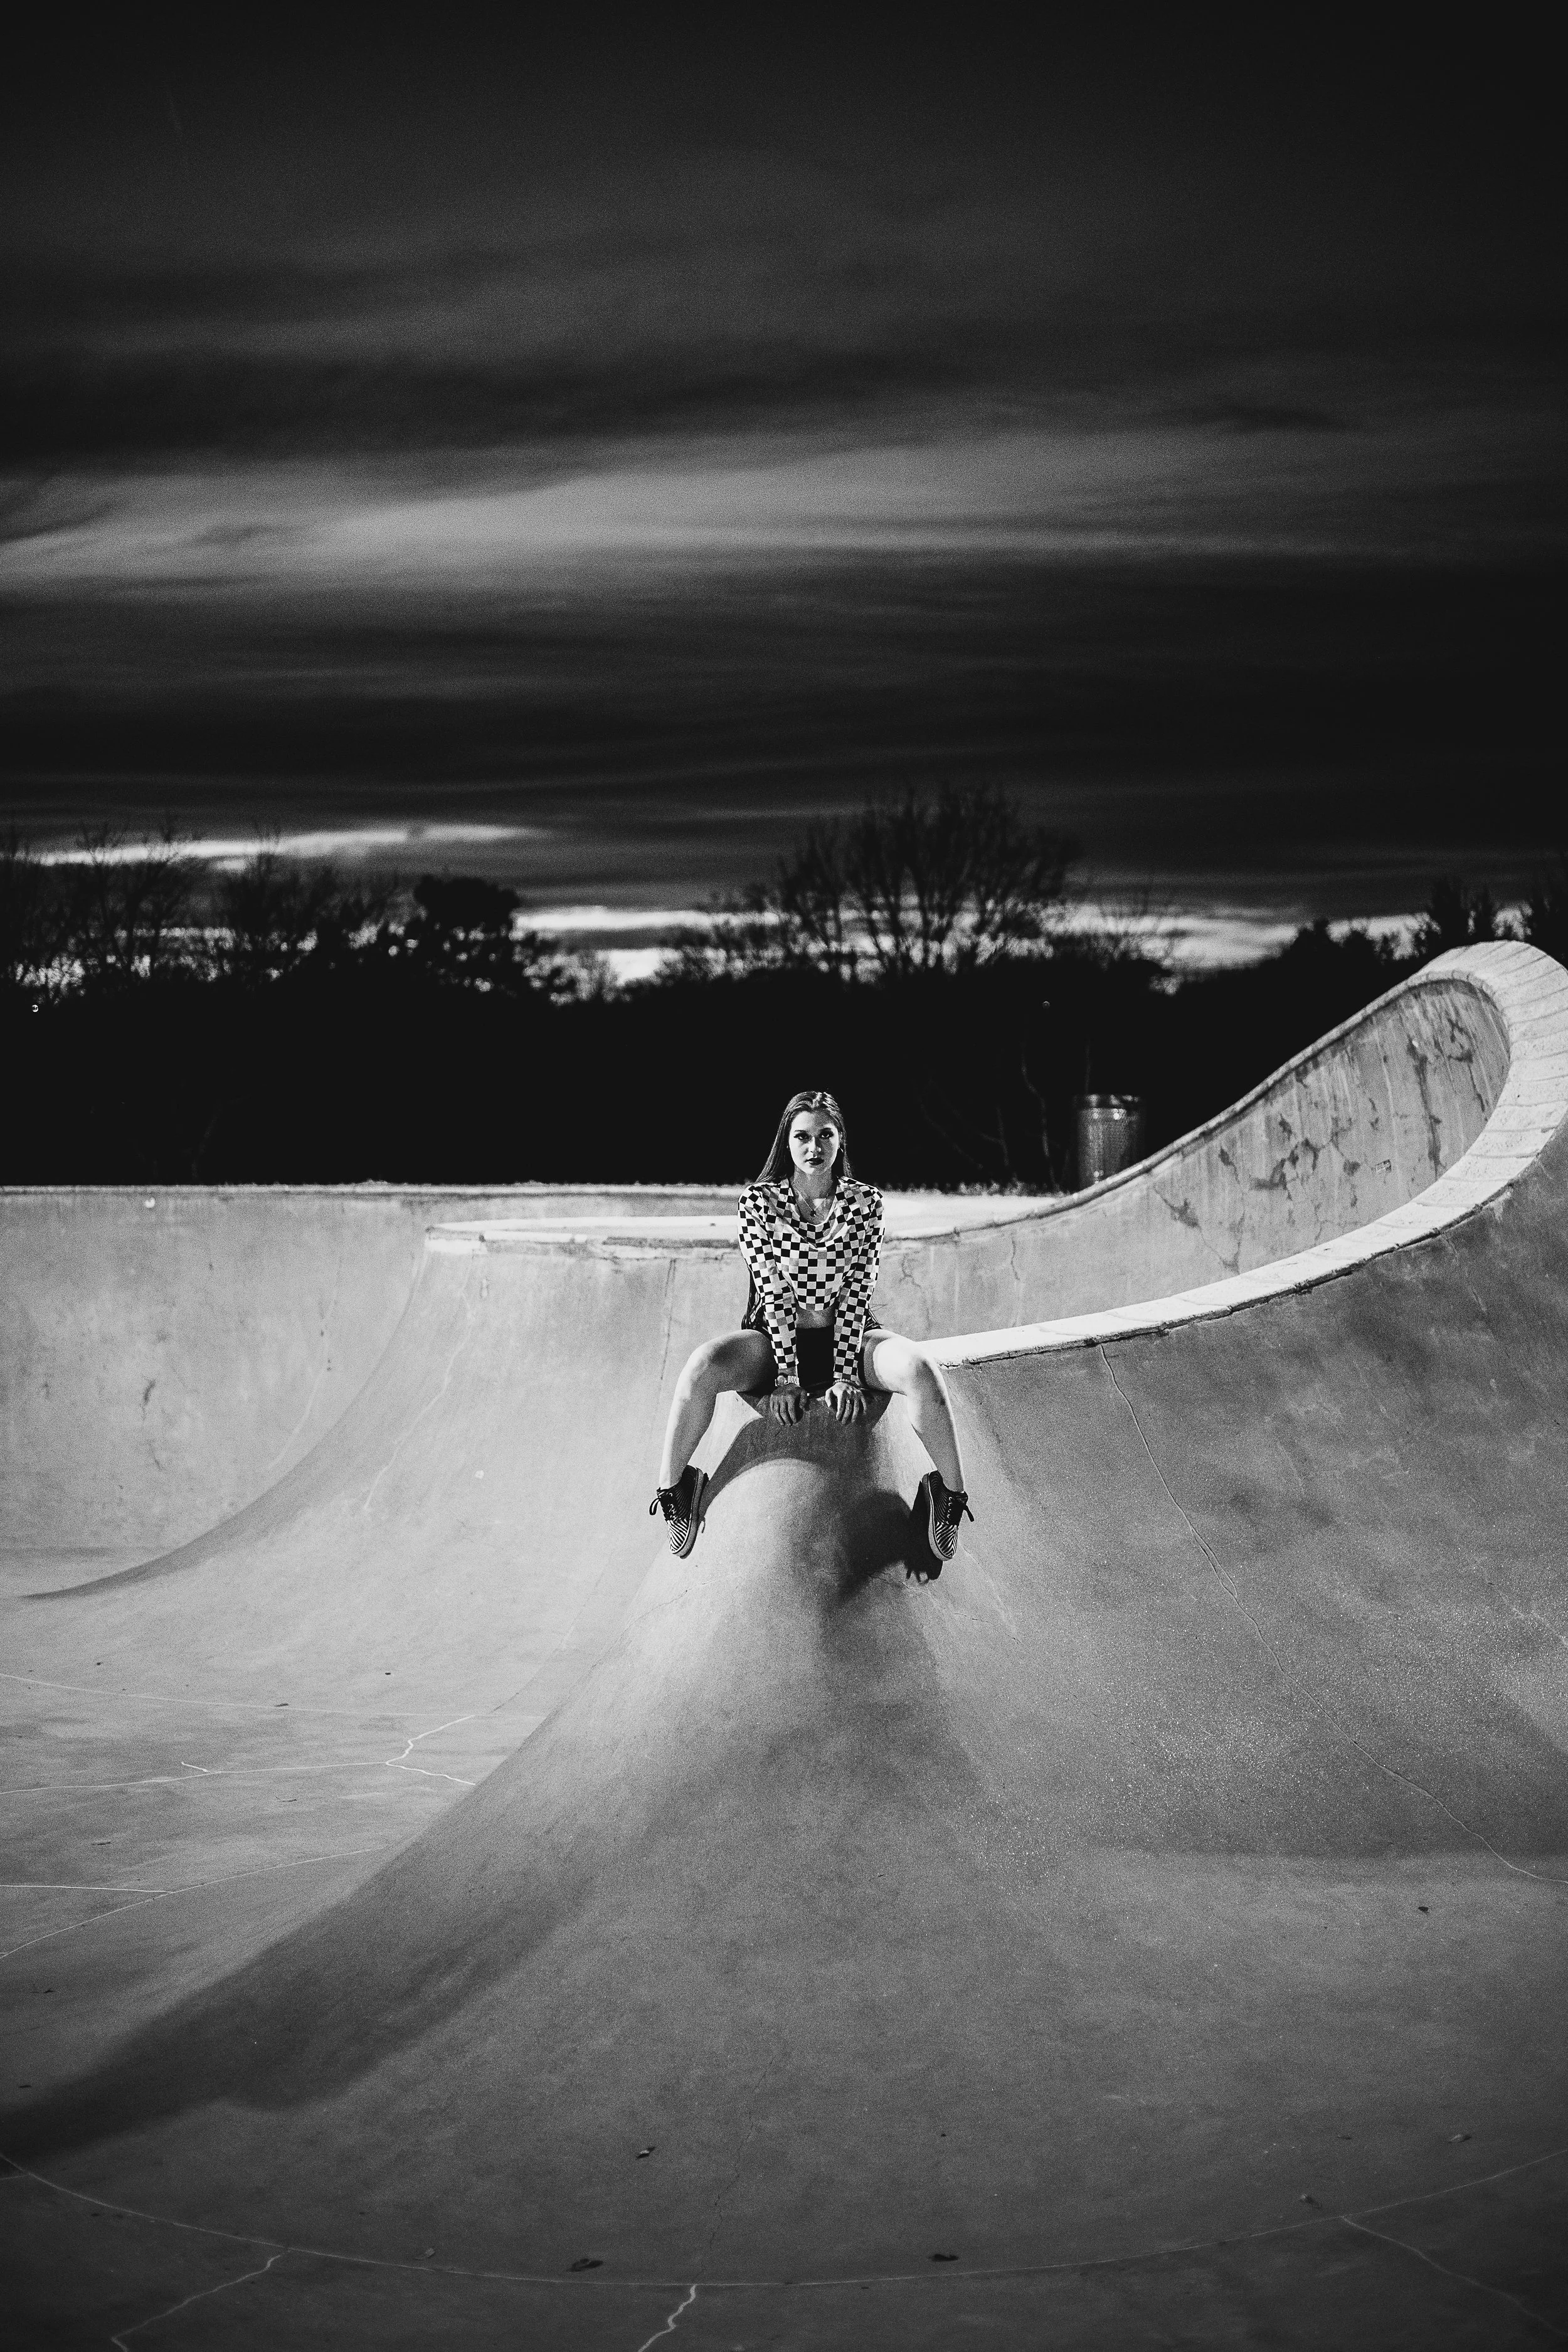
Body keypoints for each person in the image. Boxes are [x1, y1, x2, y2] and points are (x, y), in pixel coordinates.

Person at [650, 1088, 973, 1571]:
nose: (813, 1146)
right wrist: (784, 1378)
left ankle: (947, 1493)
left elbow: (857, 1293)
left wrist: (845, 1373)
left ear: (841, 1141)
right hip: (775, 1340)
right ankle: (676, 1488)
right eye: (802, 1136)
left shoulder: (865, 1204)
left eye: (825, 1135)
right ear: (787, 1141)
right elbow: (774, 1293)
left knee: (921, 1370)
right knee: (700, 1368)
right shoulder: (759, 1203)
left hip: (851, 1335)